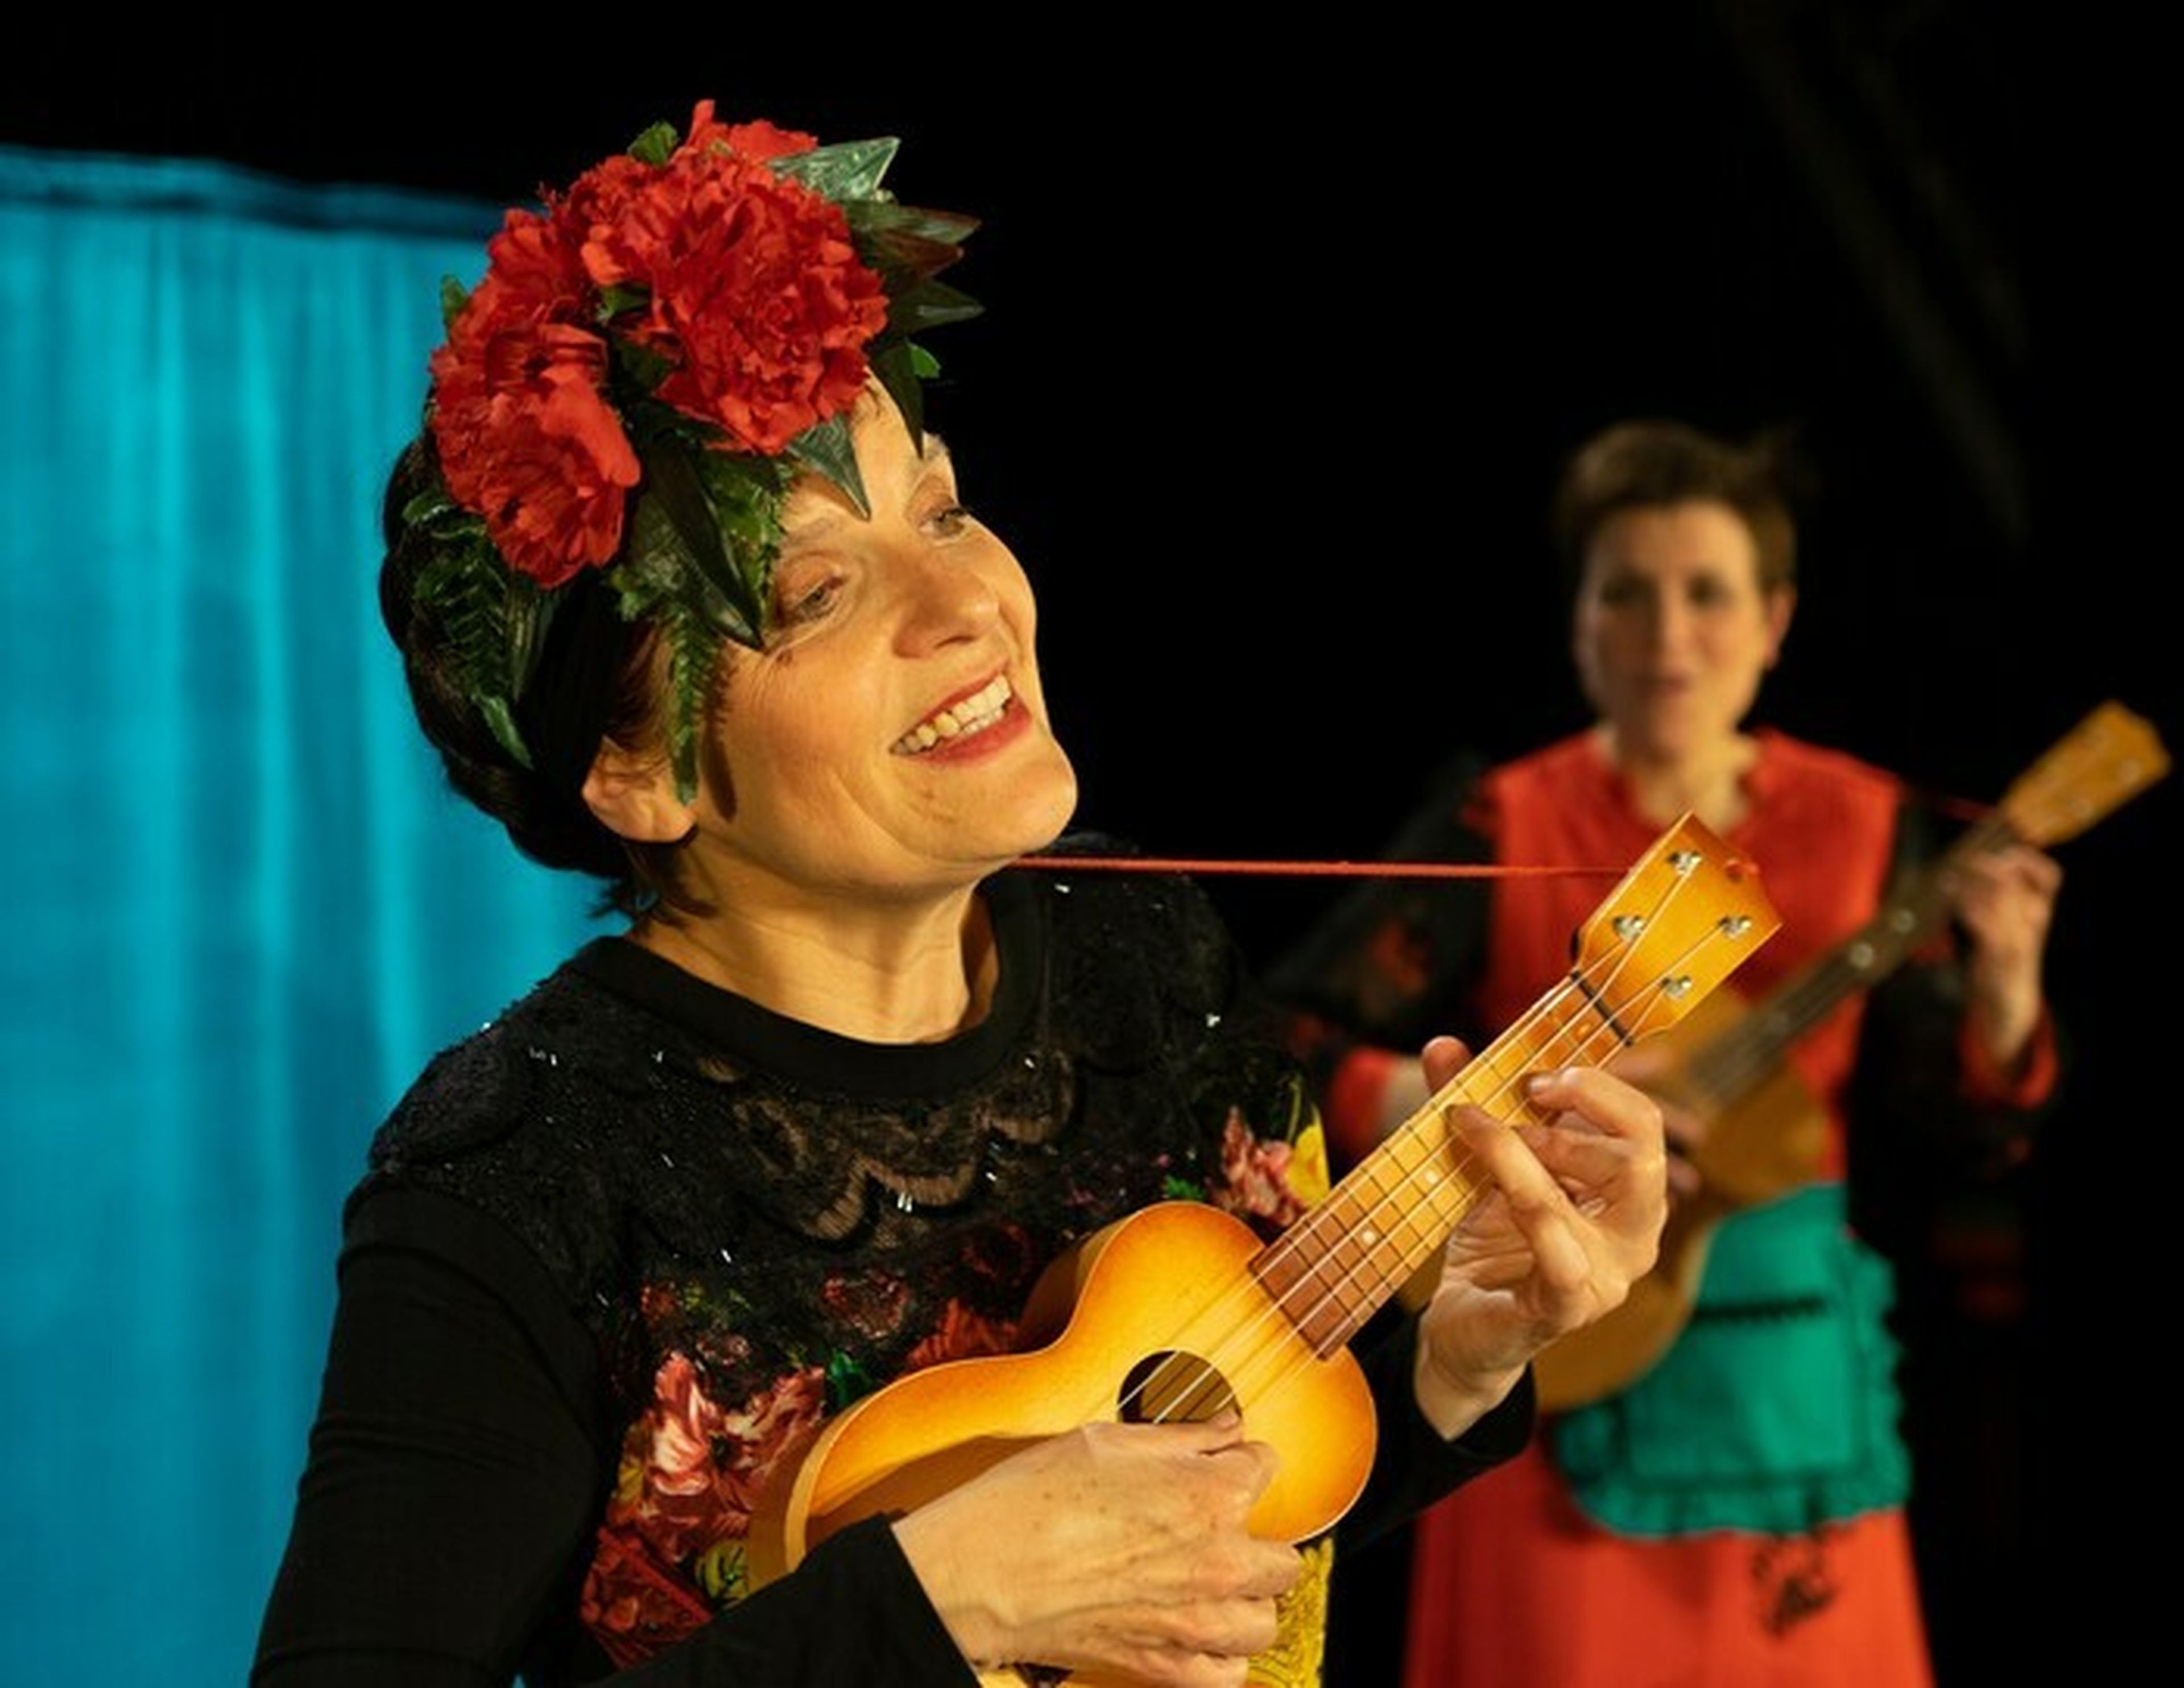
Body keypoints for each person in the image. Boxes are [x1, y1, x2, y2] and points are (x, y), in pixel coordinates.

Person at [248, 105, 1674, 1688]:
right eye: (817, 591)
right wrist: (928, 1605)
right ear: (642, 769)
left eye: (938, 510)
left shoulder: (1145, 957)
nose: (964, 604)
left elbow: (1224, 1497)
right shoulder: (522, 1180)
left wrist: (1455, 1361)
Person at [1266, 416, 2063, 1687]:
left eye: (1708, 592)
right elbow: (1286, 1045)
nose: (1666, 634)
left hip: (1784, 1357)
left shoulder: (1868, 822)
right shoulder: (1507, 815)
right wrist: (1477, 1098)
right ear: (1580, 619)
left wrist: (2009, 991)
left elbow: (1970, 1138)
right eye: (1625, 592)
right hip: (1555, 1334)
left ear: (1775, 619)